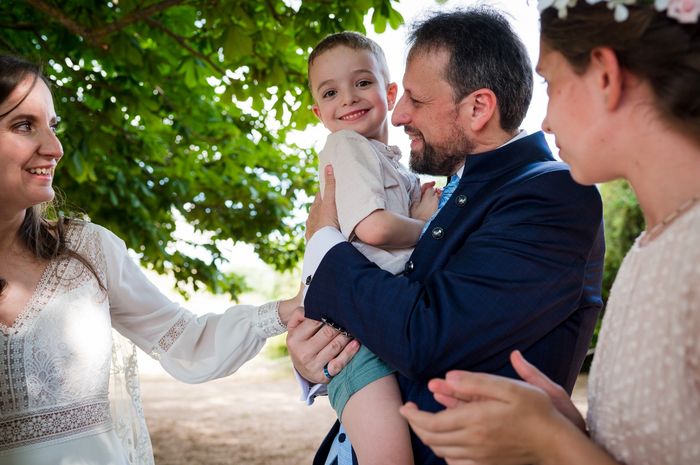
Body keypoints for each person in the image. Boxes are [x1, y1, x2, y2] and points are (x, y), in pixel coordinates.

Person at [287, 7, 607, 465]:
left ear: (478, 107)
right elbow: (383, 310)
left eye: (415, 99)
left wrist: (323, 244)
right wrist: (316, 358)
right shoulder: (434, 197)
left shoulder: (550, 195)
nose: (397, 116)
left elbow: (427, 337)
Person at [398, 1, 700, 465]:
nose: (544, 120)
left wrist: (554, 445)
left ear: (604, 75)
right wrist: (572, 429)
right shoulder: (654, 244)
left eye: (551, 83)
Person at [0, 55, 300, 465]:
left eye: (53, 126)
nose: (55, 149)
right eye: (23, 125)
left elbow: (187, 343)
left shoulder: (89, 250)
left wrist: (284, 312)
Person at [304, 31, 439, 465]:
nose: (348, 98)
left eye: (362, 83)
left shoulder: (389, 160)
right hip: (353, 338)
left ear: (390, 91)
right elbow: (373, 228)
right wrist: (428, 225)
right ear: (319, 112)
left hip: (379, 323)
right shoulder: (347, 145)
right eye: (330, 92)